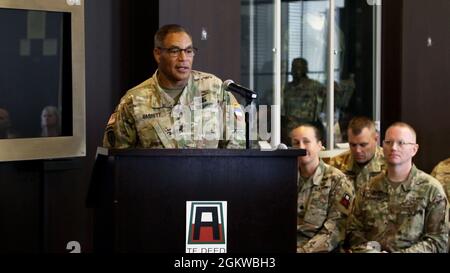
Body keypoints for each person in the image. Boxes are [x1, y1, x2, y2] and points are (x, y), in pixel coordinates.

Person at [103, 24, 245, 149]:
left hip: (209, 177)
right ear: (158, 54)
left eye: (188, 51)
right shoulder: (133, 101)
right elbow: (117, 159)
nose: (183, 58)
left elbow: (238, 145)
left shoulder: (214, 88)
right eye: (175, 51)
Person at [347, 122, 449, 253]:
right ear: (382, 146)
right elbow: (354, 232)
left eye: (401, 143)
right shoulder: (368, 188)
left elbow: (439, 241)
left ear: (414, 149)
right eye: (388, 142)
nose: (393, 147)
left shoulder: (431, 189)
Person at [290, 123, 355, 252]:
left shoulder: (337, 180)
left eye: (306, 142)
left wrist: (303, 251)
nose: (301, 147)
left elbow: (335, 229)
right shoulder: (283, 178)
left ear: (320, 145)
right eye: (296, 143)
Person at [327, 116, 385, 192]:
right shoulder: (336, 164)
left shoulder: (389, 164)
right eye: (353, 145)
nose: (357, 150)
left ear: (376, 139)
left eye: (363, 145)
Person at [282, 58, 326, 144]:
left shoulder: (315, 86)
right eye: (293, 67)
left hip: (309, 126)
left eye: (299, 67)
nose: (295, 70)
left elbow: (326, 104)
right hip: (290, 128)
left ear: (305, 69)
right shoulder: (286, 87)